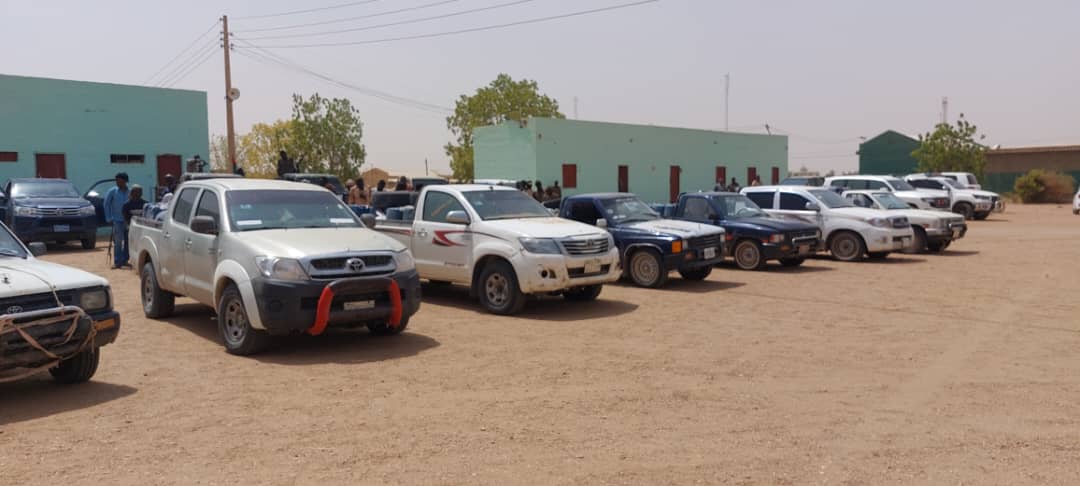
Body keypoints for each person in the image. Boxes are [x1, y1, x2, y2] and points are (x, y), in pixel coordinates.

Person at [103, 172, 131, 269]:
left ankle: (125, 260)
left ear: (125, 181)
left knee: (128, 241)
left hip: (128, 220)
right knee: (118, 242)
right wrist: (108, 217)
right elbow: (106, 204)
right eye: (116, 180)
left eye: (119, 180)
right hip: (117, 220)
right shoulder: (112, 191)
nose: (117, 182)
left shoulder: (130, 192)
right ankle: (117, 261)